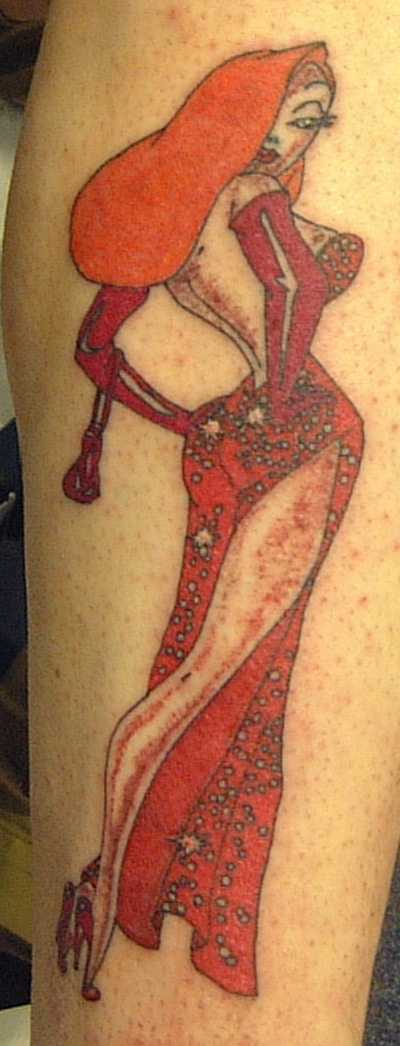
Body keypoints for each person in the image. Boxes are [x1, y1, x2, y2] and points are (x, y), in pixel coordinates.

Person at [3, 5, 400, 1045]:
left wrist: (190, 420)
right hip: (297, 442)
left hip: (239, 441)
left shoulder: (192, 200)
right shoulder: (254, 195)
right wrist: (264, 401)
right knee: (219, 679)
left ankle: (115, 887)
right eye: (303, 114)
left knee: (212, 676)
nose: (314, 134)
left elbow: (99, 347)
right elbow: (293, 293)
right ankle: (110, 889)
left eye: (321, 118)